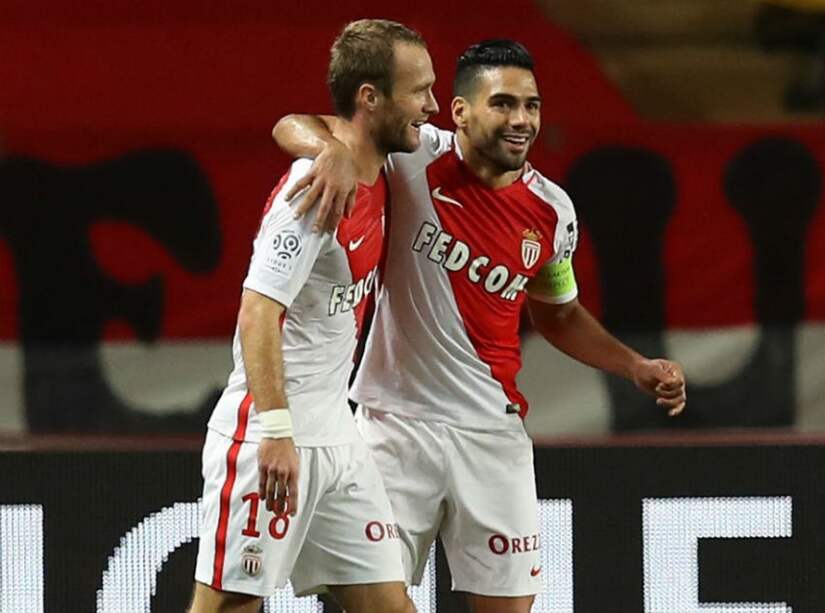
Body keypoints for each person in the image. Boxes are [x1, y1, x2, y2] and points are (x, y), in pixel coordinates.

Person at [272, 40, 687, 613]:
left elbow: (558, 312)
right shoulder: (410, 156)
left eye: (532, 106)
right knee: (370, 605)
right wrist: (330, 152)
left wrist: (633, 365)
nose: (522, 120)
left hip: (492, 439)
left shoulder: (552, 213)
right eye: (504, 104)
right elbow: (290, 125)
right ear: (460, 111)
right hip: (395, 429)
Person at [189, 19, 437, 613]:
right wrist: (275, 431)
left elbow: (293, 122)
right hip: (271, 437)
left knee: (391, 605)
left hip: (338, 438)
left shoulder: (378, 163)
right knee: (228, 607)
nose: (431, 105)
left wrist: (323, 144)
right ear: (370, 99)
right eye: (419, 91)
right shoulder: (315, 191)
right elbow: (257, 310)